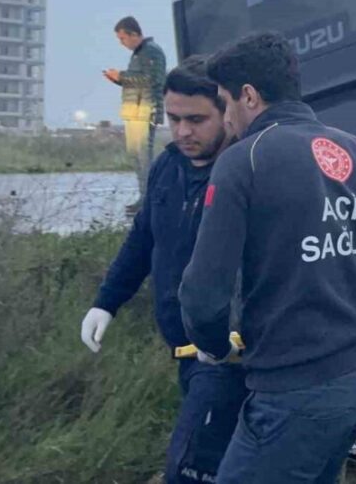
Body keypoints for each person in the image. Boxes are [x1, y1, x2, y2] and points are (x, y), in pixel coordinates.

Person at [177, 32, 356, 484]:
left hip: (294, 391)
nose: (225, 120)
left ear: (249, 96)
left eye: (224, 103)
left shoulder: (245, 160)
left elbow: (202, 296)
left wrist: (216, 348)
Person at [80, 58, 242, 484]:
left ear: (226, 110)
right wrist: (106, 302)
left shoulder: (247, 171)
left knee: (188, 471)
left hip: (230, 353)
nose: (184, 131)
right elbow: (142, 239)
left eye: (196, 119)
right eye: (174, 119)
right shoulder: (168, 167)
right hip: (184, 351)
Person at [103, 16, 166, 211]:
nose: (122, 43)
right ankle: (144, 198)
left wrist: (121, 76)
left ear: (134, 34)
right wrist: (118, 79)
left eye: (123, 38)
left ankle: (150, 199)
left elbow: (151, 80)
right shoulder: (140, 53)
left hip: (146, 110)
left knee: (143, 157)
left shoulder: (151, 51)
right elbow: (138, 80)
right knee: (136, 157)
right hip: (134, 110)